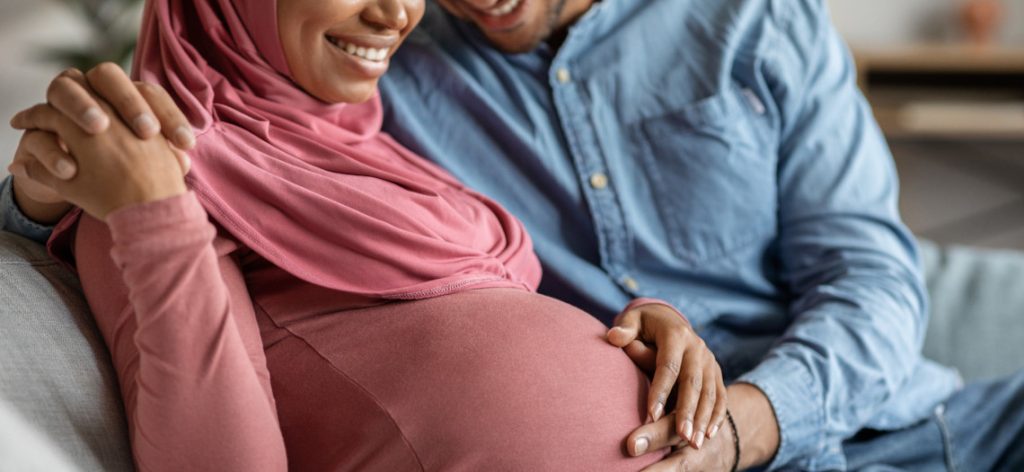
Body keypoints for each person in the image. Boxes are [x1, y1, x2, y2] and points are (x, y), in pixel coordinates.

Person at [7, 0, 1024, 471]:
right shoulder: (373, 75)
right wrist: (46, 201)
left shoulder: (754, 24)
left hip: (895, 424)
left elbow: (872, 281)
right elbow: (174, 151)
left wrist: (734, 412)